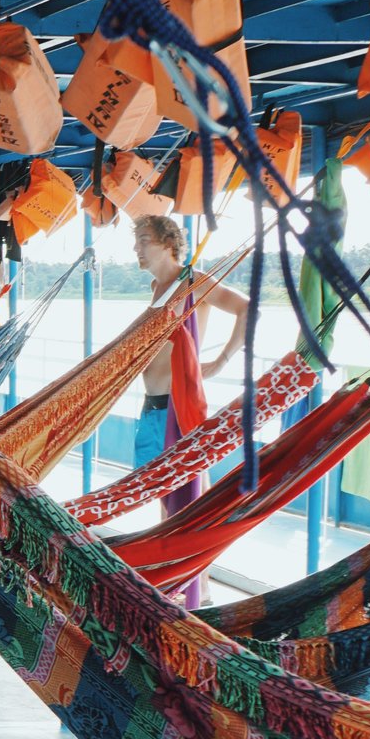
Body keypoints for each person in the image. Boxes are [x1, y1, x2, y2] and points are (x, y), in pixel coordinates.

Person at [130, 216, 249, 605]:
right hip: (153, 407)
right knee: (165, 501)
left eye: (144, 240)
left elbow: (248, 310)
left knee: (186, 503)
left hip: (179, 409)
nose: (137, 248)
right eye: (136, 241)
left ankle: (197, 591)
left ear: (168, 243)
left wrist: (221, 361)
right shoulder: (157, 287)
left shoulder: (194, 281)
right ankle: (184, 585)